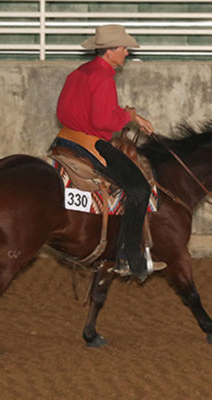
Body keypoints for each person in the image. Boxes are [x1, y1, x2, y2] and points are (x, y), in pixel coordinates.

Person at [54, 24, 154, 281]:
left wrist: (130, 116)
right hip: (91, 145)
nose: (127, 53)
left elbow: (64, 111)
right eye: (124, 49)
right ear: (110, 51)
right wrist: (128, 117)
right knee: (139, 189)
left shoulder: (79, 73)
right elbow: (103, 121)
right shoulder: (103, 77)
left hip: (65, 140)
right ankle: (128, 257)